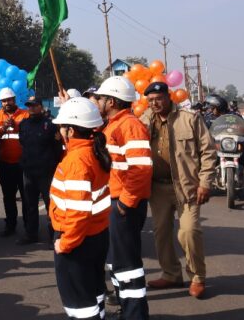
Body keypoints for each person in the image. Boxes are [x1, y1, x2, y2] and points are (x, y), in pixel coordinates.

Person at [140, 82, 215, 299]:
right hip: (157, 188)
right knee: (161, 233)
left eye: (159, 99)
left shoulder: (190, 119)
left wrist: (205, 183)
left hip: (187, 187)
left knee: (189, 231)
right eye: (151, 100)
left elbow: (208, 152)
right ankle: (171, 274)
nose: (155, 103)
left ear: (169, 97)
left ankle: (197, 277)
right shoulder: (144, 121)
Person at [95, 76, 152, 317]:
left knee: (128, 266)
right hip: (115, 201)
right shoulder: (111, 124)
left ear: (111, 101)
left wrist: (126, 202)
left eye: (99, 98)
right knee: (117, 262)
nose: (97, 101)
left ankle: (135, 315)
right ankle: (125, 309)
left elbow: (141, 168)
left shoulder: (129, 125)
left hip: (123, 203)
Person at [50, 98, 112, 320]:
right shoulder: (93, 152)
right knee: (94, 293)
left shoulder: (77, 161)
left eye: (62, 126)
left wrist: (65, 244)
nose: (59, 131)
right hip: (97, 235)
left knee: (80, 304)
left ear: (71, 130)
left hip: (77, 240)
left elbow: (78, 213)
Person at [17, 96, 62, 244]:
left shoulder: (50, 125)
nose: (31, 108)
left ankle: (53, 236)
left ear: (40, 107)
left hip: (46, 172)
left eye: (34, 105)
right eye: (29, 105)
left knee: (51, 206)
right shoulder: (23, 124)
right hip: (29, 172)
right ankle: (31, 234)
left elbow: (57, 150)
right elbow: (23, 143)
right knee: (30, 205)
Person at [0, 87, 30, 237]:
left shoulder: (25, 115)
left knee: (27, 198)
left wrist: (16, 126)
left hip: (23, 164)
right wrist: (3, 128)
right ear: (1, 102)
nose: (7, 103)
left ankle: (29, 226)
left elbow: (30, 134)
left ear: (14, 100)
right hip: (5, 164)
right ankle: (10, 225)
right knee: (8, 197)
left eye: (9, 100)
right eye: (4, 101)